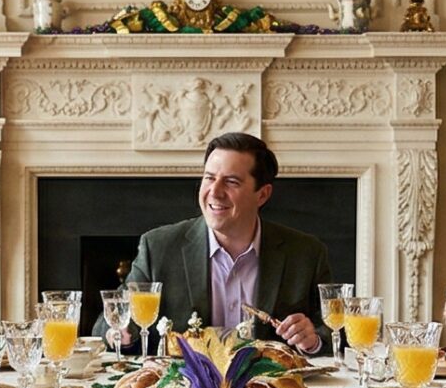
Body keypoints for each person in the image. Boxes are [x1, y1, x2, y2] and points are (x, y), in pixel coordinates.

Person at [111, 133, 329, 353]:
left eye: (231, 182)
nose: (214, 192)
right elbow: (111, 320)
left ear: (262, 195)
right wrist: (120, 334)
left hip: (271, 385)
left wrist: (313, 340)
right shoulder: (158, 247)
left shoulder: (306, 253)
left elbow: (333, 330)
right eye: (209, 178)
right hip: (183, 385)